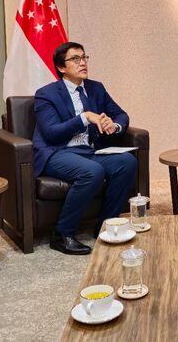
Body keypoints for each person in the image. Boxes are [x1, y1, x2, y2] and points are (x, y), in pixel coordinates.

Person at [33, 42, 137, 255]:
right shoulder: (46, 94)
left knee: (127, 162)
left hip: (89, 151)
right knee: (92, 171)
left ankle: (106, 226)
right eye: (75, 59)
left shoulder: (96, 88)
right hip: (57, 152)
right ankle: (62, 234)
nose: (82, 63)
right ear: (61, 67)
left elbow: (121, 114)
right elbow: (52, 133)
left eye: (84, 57)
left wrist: (114, 125)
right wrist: (84, 117)